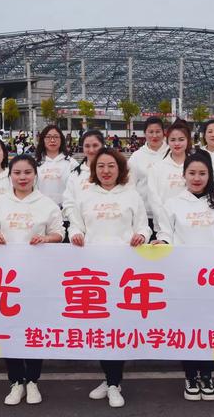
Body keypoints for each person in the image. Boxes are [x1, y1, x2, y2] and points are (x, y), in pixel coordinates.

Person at [153, 150, 214, 401]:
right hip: (184, 280)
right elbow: (166, 234)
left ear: (210, 175)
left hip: (212, 280)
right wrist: (161, 243)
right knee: (188, 329)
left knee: (209, 328)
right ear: (184, 175)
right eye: (192, 173)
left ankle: (207, 374)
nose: (197, 178)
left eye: (202, 173)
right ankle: (190, 375)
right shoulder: (173, 204)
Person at [70, 148, 151, 408]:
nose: (106, 171)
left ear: (120, 169)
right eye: (101, 166)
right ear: (94, 170)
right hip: (94, 273)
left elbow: (143, 225)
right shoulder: (85, 195)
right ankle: (109, 379)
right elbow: (76, 224)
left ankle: (115, 382)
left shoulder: (131, 195)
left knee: (118, 327)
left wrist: (142, 236)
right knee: (102, 328)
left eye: (111, 166)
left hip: (125, 272)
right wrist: (76, 235)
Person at [0, 154, 64, 406]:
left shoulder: (46, 203)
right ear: (10, 176)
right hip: (6, 280)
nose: (22, 177)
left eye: (27, 172)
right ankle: (16, 381)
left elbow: (59, 233)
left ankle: (33, 381)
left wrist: (46, 239)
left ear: (35, 175)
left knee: (33, 330)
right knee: (10, 331)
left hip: (36, 278)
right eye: (17, 173)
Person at [148, 119, 191, 234]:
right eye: (173, 140)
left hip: (189, 225)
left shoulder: (194, 166)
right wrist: (166, 220)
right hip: (163, 228)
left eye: (181, 139)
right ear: (167, 141)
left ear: (187, 141)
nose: (177, 143)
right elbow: (154, 199)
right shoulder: (157, 168)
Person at [128, 116, 168, 236]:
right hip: (144, 214)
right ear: (145, 133)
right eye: (151, 132)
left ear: (163, 133)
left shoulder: (171, 153)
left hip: (168, 214)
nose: (154, 136)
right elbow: (130, 185)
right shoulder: (137, 156)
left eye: (158, 131)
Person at [62, 130, 105, 225]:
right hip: (80, 229)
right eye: (87, 146)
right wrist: (78, 225)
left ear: (102, 146)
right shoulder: (75, 175)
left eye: (95, 145)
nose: (91, 150)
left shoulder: (112, 172)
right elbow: (68, 203)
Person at [35, 125, 78, 208]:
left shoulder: (71, 163)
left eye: (56, 137)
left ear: (61, 140)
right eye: (48, 137)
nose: (52, 140)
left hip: (65, 213)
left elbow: (76, 190)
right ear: (43, 140)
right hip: (41, 211)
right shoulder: (36, 163)